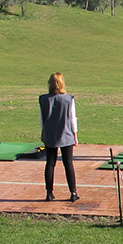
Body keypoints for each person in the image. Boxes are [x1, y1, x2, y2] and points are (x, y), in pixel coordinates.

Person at [40, 72, 79, 202]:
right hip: (66, 134)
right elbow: (73, 119)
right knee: (68, 163)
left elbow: (42, 119)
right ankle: (73, 192)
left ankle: (49, 193)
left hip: (50, 135)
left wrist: (43, 133)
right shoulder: (68, 99)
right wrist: (75, 135)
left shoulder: (44, 99)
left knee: (50, 163)